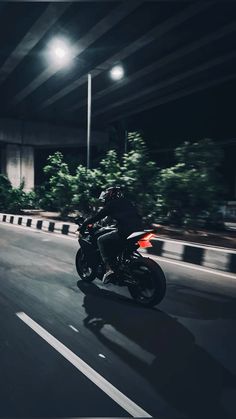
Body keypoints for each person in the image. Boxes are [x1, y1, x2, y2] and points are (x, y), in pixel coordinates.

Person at [79, 186, 143, 284]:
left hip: (126, 232)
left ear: (110, 195)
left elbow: (98, 217)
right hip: (140, 231)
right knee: (123, 246)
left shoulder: (111, 205)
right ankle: (128, 265)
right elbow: (119, 218)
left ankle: (109, 269)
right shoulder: (127, 202)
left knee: (101, 240)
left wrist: (84, 224)